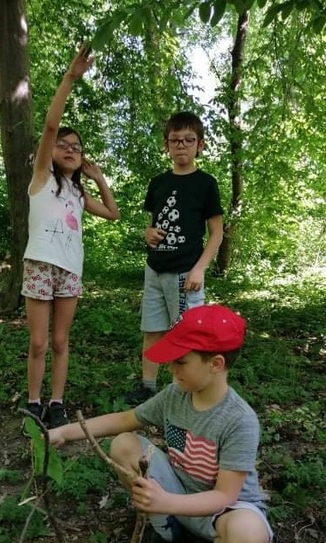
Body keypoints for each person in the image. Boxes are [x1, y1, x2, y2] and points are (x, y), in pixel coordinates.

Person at [48, 304, 273, 543]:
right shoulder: (175, 395)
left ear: (216, 364)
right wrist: (65, 431)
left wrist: (165, 501)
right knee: (124, 444)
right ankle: (168, 534)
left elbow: (224, 495)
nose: (171, 369)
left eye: (181, 361)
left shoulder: (239, 420)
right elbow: (125, 419)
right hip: (177, 493)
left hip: (222, 512)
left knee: (246, 538)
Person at [22, 45, 119, 430]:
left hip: (70, 271)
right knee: (39, 342)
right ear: (51, 152)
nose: (69, 150)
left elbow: (113, 213)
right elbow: (50, 127)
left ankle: (57, 402)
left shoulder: (79, 193)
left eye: (76, 148)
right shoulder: (41, 178)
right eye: (64, 145)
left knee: (61, 341)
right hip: (40, 264)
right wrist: (70, 78)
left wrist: (99, 178)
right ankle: (33, 402)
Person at [125, 111, 224, 406]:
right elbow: (153, 224)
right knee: (152, 329)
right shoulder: (158, 183)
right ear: (166, 145)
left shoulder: (206, 183)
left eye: (188, 140)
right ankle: (147, 387)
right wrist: (147, 233)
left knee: (186, 334)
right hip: (155, 269)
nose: (181, 145)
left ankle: (185, 391)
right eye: (175, 140)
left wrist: (199, 269)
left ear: (200, 145)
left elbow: (216, 233)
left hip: (185, 273)